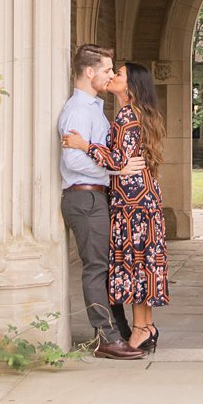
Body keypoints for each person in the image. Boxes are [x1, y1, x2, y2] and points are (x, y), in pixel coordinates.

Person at [63, 61, 170, 353]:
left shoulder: (125, 117)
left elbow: (119, 161)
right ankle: (147, 326)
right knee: (145, 262)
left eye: (118, 74)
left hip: (131, 203)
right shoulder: (142, 115)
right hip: (145, 199)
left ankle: (138, 330)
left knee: (136, 263)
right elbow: (125, 160)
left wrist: (84, 145)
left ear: (130, 87)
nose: (112, 77)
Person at [58, 44, 145, 360]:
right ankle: (106, 338)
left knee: (107, 266)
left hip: (97, 195)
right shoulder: (78, 111)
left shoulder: (94, 108)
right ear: (89, 72)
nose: (111, 75)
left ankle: (119, 330)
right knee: (96, 268)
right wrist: (115, 168)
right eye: (107, 70)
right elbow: (73, 160)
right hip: (84, 197)